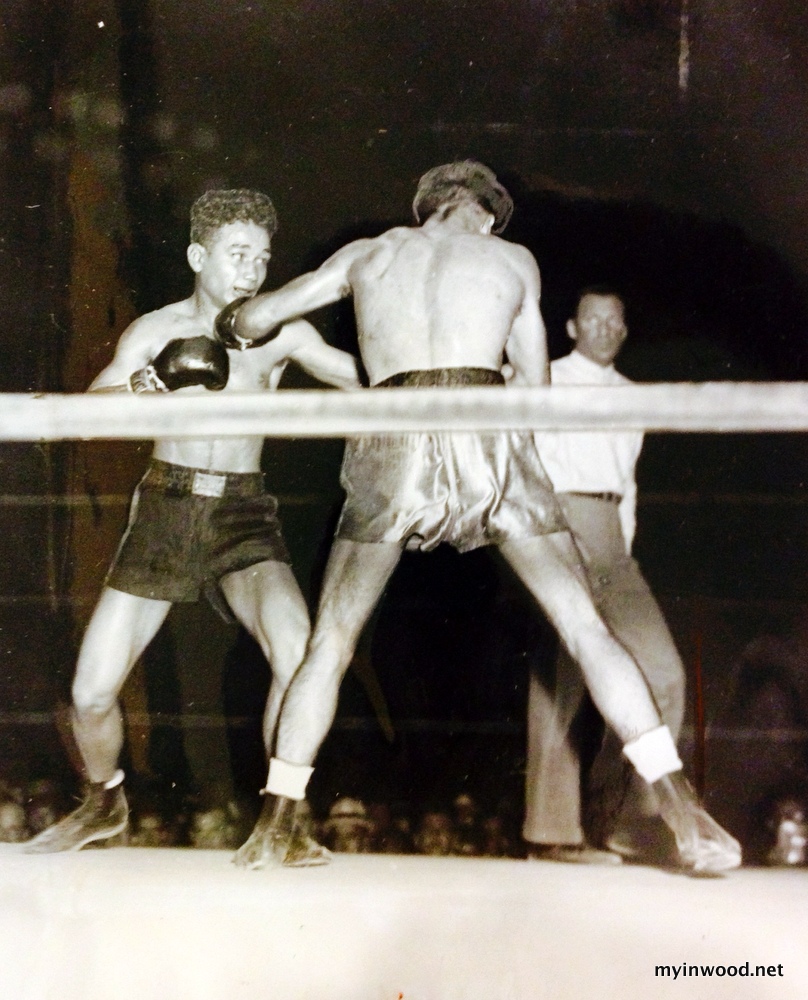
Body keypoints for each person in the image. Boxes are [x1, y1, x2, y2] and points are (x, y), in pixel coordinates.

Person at [214, 161, 740, 875]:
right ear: (487, 216)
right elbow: (535, 386)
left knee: (332, 639)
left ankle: (277, 820)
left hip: (394, 431)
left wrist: (231, 320)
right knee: (585, 627)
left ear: (425, 208)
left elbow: (255, 317)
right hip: (487, 423)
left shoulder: (370, 252)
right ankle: (682, 809)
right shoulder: (509, 258)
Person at [25, 188, 359, 853]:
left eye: (262, 258)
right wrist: (151, 384)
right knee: (91, 694)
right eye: (237, 254)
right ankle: (104, 803)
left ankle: (285, 818)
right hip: (167, 508)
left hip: (245, 512)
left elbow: (361, 380)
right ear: (197, 256)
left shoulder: (280, 333)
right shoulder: (153, 331)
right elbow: (86, 416)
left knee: (298, 655)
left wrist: (435, 371)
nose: (252, 272)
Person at [523, 287, 686, 865]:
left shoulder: (632, 397)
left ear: (624, 329)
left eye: (614, 320)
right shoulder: (544, 378)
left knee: (663, 674)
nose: (604, 328)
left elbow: (629, 484)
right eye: (592, 319)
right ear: (571, 327)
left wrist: (622, 547)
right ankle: (552, 834)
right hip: (557, 525)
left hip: (613, 541)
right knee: (564, 679)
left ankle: (627, 821)